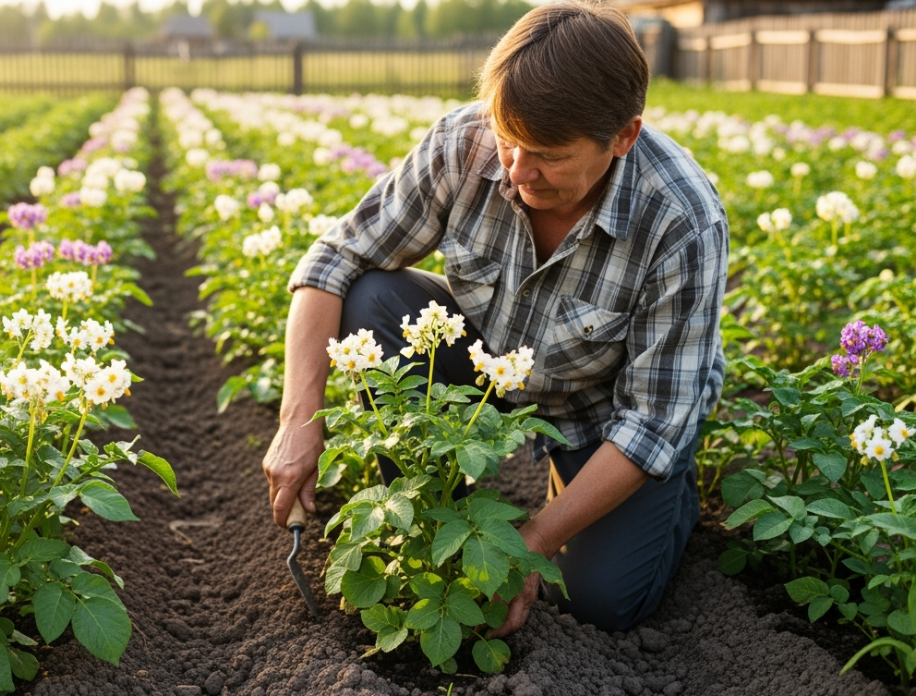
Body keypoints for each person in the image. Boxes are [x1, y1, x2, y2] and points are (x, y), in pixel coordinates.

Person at [261, 0, 728, 636]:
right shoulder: (465, 142)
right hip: (489, 364)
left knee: (597, 602)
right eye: (509, 140)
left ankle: (666, 501)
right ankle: (430, 514)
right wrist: (297, 421)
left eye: (548, 155)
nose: (516, 169)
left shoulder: (680, 219)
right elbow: (334, 260)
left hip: (602, 409)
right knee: (372, 297)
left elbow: (651, 422)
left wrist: (533, 540)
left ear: (624, 137)